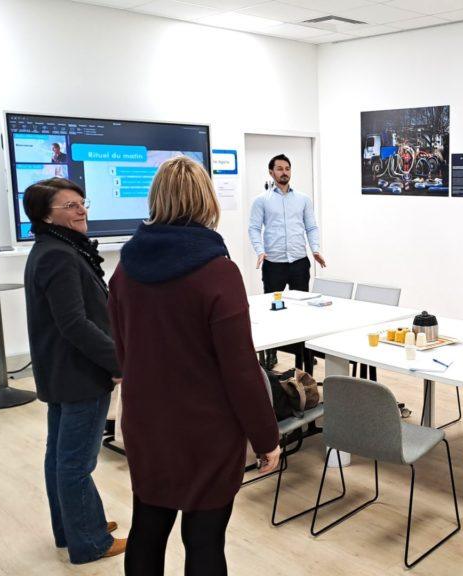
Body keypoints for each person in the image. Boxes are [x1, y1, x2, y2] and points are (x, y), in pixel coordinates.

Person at [109, 156, 281, 576]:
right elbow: (240, 370)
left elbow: (123, 353)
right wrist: (266, 438)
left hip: (147, 424)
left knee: (148, 527)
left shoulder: (125, 270)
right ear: (207, 202)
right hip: (205, 430)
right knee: (204, 540)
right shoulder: (218, 272)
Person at [22, 177, 125, 564]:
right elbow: (75, 324)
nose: (81, 209)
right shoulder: (58, 255)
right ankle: (90, 541)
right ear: (46, 214)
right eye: (70, 205)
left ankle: (71, 528)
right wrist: (119, 362)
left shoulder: (53, 249)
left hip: (62, 372)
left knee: (60, 457)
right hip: (78, 375)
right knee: (76, 463)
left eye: (82, 202)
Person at [248, 154, 325, 369]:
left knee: (302, 310)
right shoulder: (261, 200)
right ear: (271, 172)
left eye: (287, 168)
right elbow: (254, 228)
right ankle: (270, 353)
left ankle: (305, 352)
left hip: (299, 261)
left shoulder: (303, 199)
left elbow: (311, 226)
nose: (284, 172)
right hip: (274, 264)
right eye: (280, 169)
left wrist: (315, 249)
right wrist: (260, 251)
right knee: (273, 310)